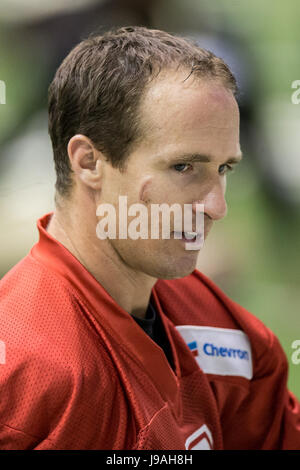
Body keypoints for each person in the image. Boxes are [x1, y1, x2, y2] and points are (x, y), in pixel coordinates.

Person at [0, 26, 299, 450]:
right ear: (89, 163)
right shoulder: (22, 378)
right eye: (183, 168)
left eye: (224, 170)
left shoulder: (228, 339)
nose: (216, 206)